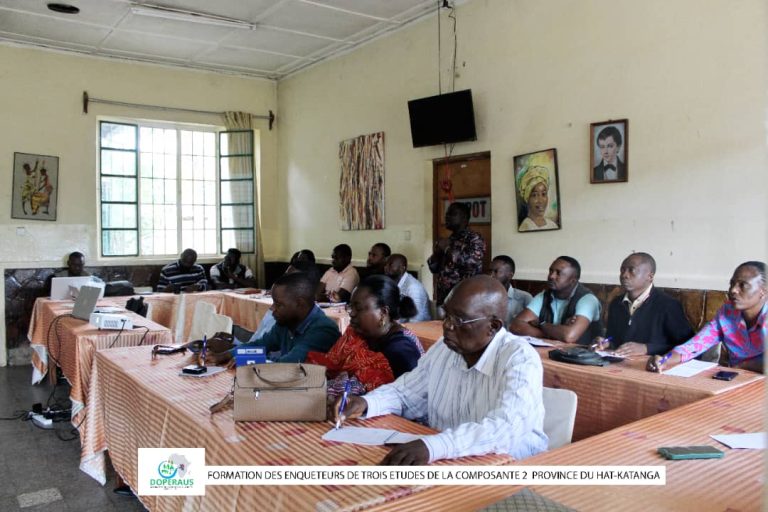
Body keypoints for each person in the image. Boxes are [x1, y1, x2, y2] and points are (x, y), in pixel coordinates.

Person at [330, 275, 547, 465]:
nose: (447, 326)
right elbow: (405, 392)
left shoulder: (519, 358)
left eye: (458, 319)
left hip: (510, 466)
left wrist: (434, 446)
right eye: (446, 315)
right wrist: (366, 402)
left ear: (493, 326)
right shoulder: (444, 349)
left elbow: (503, 429)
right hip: (449, 457)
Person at [306, 275, 424, 397]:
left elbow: (409, 399)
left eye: (358, 308)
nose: (351, 313)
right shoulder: (360, 335)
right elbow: (332, 367)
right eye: (350, 307)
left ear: (383, 313)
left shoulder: (401, 352)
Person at [648, 261, 766, 374]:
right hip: (737, 377)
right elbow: (695, 344)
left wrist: (743, 365)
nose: (733, 290)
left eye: (743, 285)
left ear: (764, 291)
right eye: (732, 284)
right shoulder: (728, 312)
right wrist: (665, 360)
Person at [219, 272, 340, 363]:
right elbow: (260, 346)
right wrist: (227, 355)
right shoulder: (287, 322)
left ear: (300, 304)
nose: (273, 309)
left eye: (279, 304)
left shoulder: (323, 330)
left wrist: (248, 359)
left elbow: (288, 365)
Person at [594, 253, 693, 357]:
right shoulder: (617, 303)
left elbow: (689, 347)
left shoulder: (668, 305)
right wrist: (606, 343)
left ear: (650, 276)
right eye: (622, 270)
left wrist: (647, 348)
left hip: (654, 365)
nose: (624, 275)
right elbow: (614, 339)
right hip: (621, 363)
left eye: (632, 270)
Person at [509, 256, 602, 345]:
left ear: (573, 281)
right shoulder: (544, 296)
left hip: (581, 354)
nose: (551, 276)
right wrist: (552, 335)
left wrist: (541, 324)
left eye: (558, 273)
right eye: (551, 271)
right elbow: (515, 325)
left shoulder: (587, 299)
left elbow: (569, 336)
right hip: (550, 352)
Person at [428, 202, 485, 306]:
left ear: (464, 218)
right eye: (447, 214)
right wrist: (437, 253)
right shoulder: (449, 239)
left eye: (452, 214)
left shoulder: (474, 238)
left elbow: (471, 262)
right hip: (443, 298)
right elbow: (434, 269)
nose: (447, 216)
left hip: (465, 299)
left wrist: (446, 248)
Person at [516, 156, 558, 231]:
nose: (540, 200)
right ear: (527, 198)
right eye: (534, 195)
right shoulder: (526, 227)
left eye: (543, 194)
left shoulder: (552, 224)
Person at [384, 254, 431, 322]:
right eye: (385, 265)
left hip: (418, 327)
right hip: (401, 326)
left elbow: (415, 320)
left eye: (390, 265)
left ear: (402, 268)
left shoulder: (413, 287)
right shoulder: (393, 284)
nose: (385, 267)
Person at [489, 255, 533, 327]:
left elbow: (531, 326)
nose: (491, 275)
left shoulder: (525, 298)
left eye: (496, 271)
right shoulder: (484, 297)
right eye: (490, 271)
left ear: (510, 275)